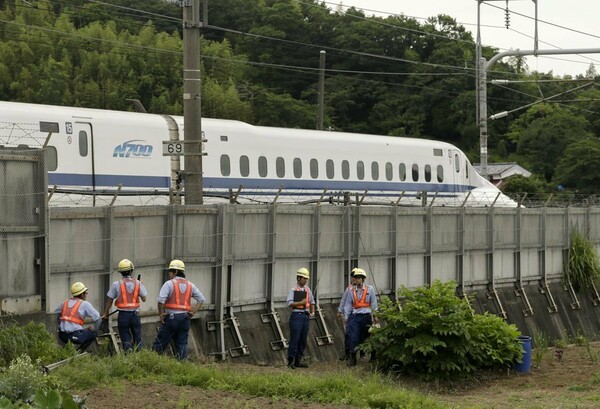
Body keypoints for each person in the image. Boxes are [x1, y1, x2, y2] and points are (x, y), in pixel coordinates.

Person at [152, 259, 205, 360]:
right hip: (185, 319)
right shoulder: (190, 285)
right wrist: (193, 312)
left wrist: (161, 314)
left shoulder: (169, 284)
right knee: (182, 344)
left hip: (171, 318)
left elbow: (160, 301)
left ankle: (152, 363)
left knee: (160, 343)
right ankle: (182, 366)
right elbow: (201, 299)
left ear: (175, 272)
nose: (169, 274)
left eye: (170, 272)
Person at [101, 259, 148, 352]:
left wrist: (105, 313)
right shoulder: (138, 283)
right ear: (131, 270)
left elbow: (110, 300)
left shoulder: (116, 284)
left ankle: (128, 354)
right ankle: (139, 357)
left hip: (123, 315)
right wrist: (139, 286)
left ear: (120, 272)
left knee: (125, 338)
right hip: (135, 314)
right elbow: (144, 299)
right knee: (137, 337)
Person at [341, 268, 379, 366]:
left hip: (366, 316)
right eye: (355, 278)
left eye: (358, 278)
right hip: (355, 316)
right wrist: (346, 317)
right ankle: (353, 359)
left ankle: (373, 356)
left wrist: (375, 316)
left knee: (368, 336)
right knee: (353, 336)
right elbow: (348, 304)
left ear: (363, 279)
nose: (356, 280)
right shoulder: (351, 290)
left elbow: (374, 303)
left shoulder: (370, 289)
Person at [55, 281, 101, 352]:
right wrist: (94, 328)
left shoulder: (65, 303)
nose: (86, 294)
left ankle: (69, 352)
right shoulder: (84, 304)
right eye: (85, 292)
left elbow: (57, 314)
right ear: (82, 294)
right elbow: (98, 318)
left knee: (81, 332)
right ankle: (80, 352)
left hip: (62, 336)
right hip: (75, 336)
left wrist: (61, 326)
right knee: (94, 332)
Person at [286, 267, 315, 369]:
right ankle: (290, 361)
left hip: (305, 316)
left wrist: (312, 311)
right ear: (298, 278)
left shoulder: (307, 289)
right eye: (304, 278)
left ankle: (298, 360)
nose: (306, 281)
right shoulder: (293, 290)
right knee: (295, 338)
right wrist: (300, 303)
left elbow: (312, 301)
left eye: (306, 279)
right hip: (296, 316)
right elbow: (289, 303)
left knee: (303, 339)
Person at [337, 268, 358, 360]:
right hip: (348, 315)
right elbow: (343, 300)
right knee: (348, 334)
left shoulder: (364, 289)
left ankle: (358, 353)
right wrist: (340, 310)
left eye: (355, 277)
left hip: (358, 314)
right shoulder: (349, 289)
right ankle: (347, 353)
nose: (353, 279)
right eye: (352, 277)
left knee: (357, 334)